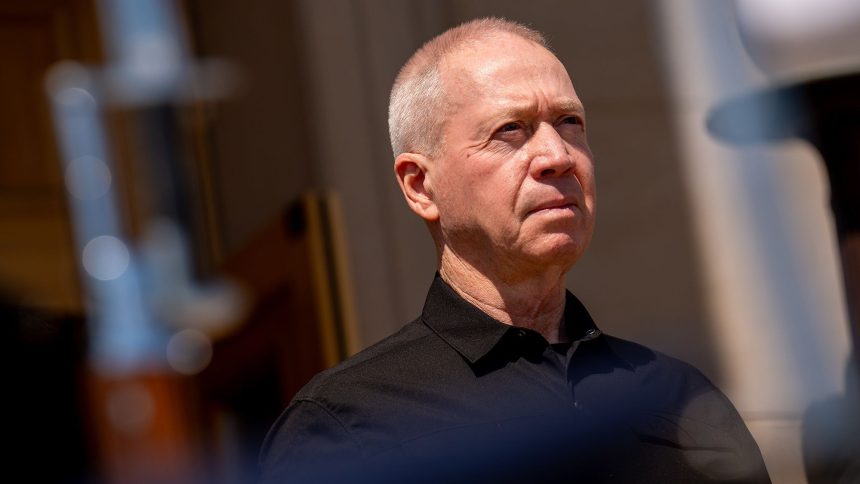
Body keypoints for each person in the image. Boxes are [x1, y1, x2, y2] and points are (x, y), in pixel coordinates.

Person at [259, 17, 771, 483]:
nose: (557, 155)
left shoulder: (682, 397)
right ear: (420, 186)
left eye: (570, 122)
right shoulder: (346, 423)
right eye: (511, 130)